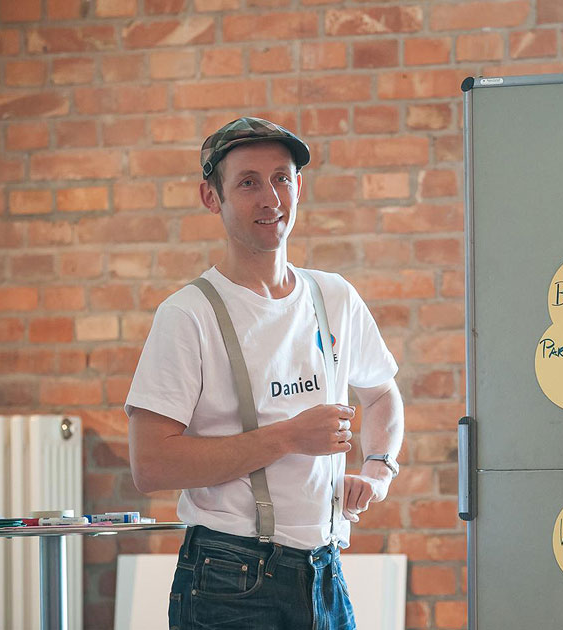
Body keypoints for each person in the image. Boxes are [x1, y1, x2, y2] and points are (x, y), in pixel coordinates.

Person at [125, 117, 404, 630]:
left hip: (324, 569)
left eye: (281, 178)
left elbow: (382, 394)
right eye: (248, 182)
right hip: (229, 578)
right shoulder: (188, 315)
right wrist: (289, 437)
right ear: (213, 198)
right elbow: (152, 465)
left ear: (298, 187)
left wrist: (379, 469)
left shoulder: (333, 296)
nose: (269, 197)